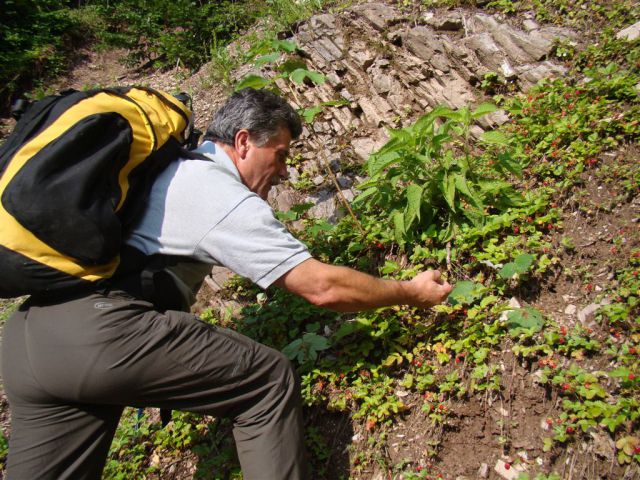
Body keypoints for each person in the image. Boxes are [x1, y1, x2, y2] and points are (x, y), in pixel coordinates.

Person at [1, 88, 452, 480]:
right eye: (280, 155)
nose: (284, 171)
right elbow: (322, 288)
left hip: (31, 341)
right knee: (266, 381)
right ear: (242, 142)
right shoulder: (210, 187)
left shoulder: (168, 172)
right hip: (100, 336)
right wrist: (411, 292)